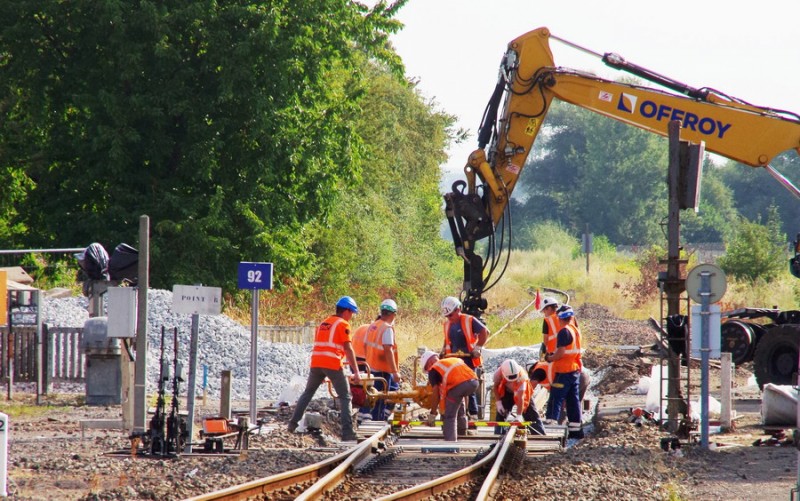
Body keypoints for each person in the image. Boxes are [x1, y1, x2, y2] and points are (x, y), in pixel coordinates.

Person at [288, 296, 362, 442]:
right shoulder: (343, 324)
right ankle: (347, 433)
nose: (351, 317)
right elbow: (348, 348)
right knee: (345, 397)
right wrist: (357, 372)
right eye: (352, 313)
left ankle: (292, 424)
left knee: (307, 393)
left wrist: (321, 372)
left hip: (316, 363)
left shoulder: (324, 323)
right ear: (346, 311)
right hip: (332, 363)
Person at [440, 296, 488, 418]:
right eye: (447, 316)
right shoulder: (447, 325)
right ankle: (456, 414)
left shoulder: (469, 320)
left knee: (468, 386)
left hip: (469, 359)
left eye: (451, 315)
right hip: (454, 360)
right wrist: (442, 351)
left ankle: (473, 415)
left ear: (458, 309)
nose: (449, 318)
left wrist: (477, 348)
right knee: (454, 387)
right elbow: (447, 340)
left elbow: (484, 332)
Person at [419, 350, 479, 441]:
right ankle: (462, 433)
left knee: (450, 415)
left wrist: (432, 413)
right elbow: (463, 385)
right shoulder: (450, 361)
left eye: (426, 368)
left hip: (460, 386)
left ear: (429, 362)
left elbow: (436, 393)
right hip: (474, 382)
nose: (428, 371)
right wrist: (466, 408)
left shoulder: (434, 369)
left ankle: (450, 443)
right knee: (458, 404)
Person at [543, 305, 584, 438]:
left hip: (563, 371)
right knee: (573, 400)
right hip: (574, 371)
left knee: (556, 398)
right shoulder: (575, 330)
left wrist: (549, 358)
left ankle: (550, 426)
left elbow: (560, 353)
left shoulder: (564, 332)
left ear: (560, 318)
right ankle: (575, 430)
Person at [365, 299, 402, 420]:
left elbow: (366, 345)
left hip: (371, 368)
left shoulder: (373, 325)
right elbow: (388, 350)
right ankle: (378, 423)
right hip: (382, 370)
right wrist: (395, 372)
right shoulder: (387, 328)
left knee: (372, 398)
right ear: (393, 314)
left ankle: (370, 420)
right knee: (381, 400)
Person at [492, 359, 546, 435]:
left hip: (522, 392)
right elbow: (495, 387)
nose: (512, 380)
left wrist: (519, 415)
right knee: (501, 413)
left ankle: (540, 434)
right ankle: (498, 435)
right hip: (507, 391)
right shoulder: (498, 374)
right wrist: (499, 403)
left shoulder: (523, 376)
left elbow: (521, 397)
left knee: (531, 413)